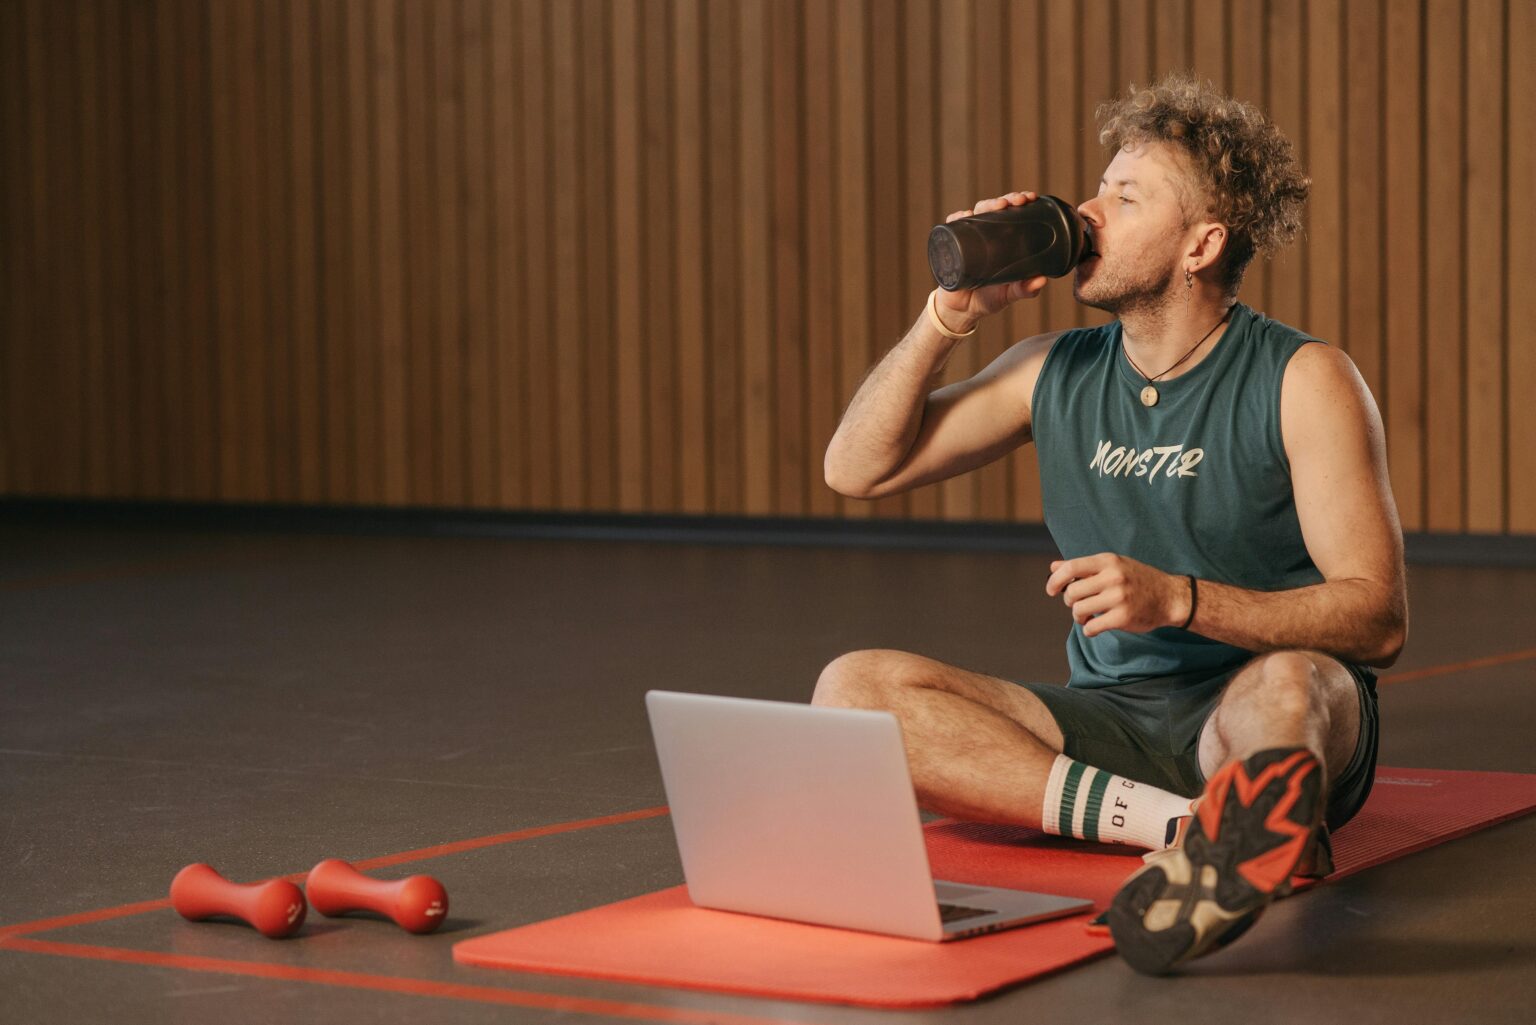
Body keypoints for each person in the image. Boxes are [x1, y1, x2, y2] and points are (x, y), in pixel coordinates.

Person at [815, 72, 1408, 974]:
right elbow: (856, 467)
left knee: (1288, 685)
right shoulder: (1050, 368)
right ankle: (1191, 830)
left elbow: (1378, 620)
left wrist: (1180, 599)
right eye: (1098, 188)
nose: (1087, 212)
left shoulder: (1303, 378)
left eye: (1125, 198)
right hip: (1110, 719)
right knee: (852, 690)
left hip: (1255, 703)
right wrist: (950, 316)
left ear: (1201, 244)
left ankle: (1255, 805)